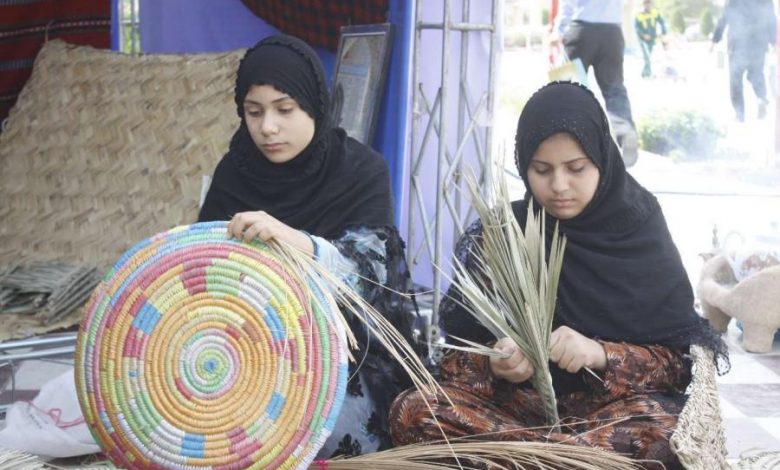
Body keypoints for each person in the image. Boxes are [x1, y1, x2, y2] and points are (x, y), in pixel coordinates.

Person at [389, 82, 728, 469]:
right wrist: (494, 362)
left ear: (602, 158)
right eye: (542, 170)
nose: (559, 186)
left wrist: (601, 354)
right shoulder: (505, 232)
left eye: (576, 168)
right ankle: (556, 460)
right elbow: (454, 361)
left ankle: (531, 460)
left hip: (607, 416)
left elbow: (677, 366)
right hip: (516, 413)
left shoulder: (637, 226)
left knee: (667, 433)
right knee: (414, 411)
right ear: (523, 167)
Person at [198, 34, 417, 458]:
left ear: (314, 105)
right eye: (253, 111)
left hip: (345, 357)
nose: (268, 128)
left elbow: (375, 278)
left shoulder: (360, 171)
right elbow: (203, 273)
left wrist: (300, 244)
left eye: (285, 109)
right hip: (248, 352)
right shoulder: (235, 171)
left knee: (324, 438)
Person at [551, 0, 639, 167]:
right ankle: (625, 130)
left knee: (564, 88)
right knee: (615, 90)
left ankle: (569, 141)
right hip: (612, 33)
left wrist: (559, 31)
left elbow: (567, 4)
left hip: (581, 31)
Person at [712, 0, 777, 122]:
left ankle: (739, 113)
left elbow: (723, 18)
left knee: (735, 79)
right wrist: (773, 42)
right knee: (756, 74)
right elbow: (771, 20)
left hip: (737, 45)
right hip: (758, 43)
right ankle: (761, 98)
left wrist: (714, 40)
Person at [635, 0, 667, 78]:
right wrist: (643, 35)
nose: (648, 5)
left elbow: (662, 22)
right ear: (643, 4)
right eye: (646, 3)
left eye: (649, 3)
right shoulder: (639, 15)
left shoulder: (655, 13)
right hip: (643, 40)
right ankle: (647, 74)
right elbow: (637, 28)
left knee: (649, 56)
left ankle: (645, 73)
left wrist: (663, 32)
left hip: (652, 39)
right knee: (647, 56)